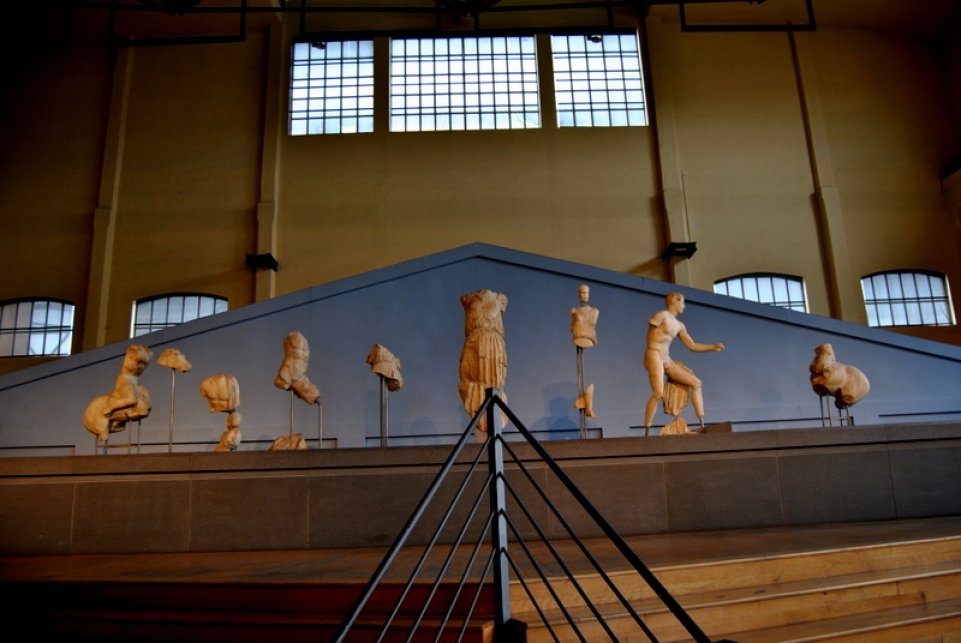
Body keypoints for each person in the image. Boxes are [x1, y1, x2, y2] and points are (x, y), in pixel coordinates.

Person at [644, 292, 724, 429]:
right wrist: (656, 359)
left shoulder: (679, 325)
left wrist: (712, 347)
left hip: (666, 359)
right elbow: (650, 336)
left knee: (696, 383)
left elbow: (692, 346)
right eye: (682, 302)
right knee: (658, 393)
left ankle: (702, 424)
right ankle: (647, 427)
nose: (684, 306)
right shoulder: (661, 315)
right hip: (654, 355)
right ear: (675, 301)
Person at [570, 284, 599, 348]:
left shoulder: (594, 311)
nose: (585, 295)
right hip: (577, 340)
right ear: (579, 294)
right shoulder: (575, 311)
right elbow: (572, 328)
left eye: (586, 293)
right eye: (583, 293)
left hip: (589, 340)